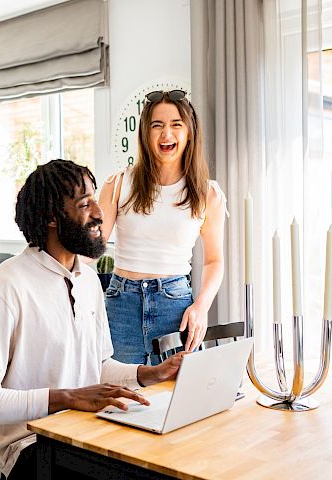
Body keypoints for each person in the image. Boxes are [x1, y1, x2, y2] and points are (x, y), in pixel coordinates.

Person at [0, 159, 184, 480]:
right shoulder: (7, 285)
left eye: (95, 201)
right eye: (84, 204)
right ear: (50, 217)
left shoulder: (87, 281)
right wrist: (66, 398)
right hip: (31, 446)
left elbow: (96, 367)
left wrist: (149, 374)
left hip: (83, 432)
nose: (100, 213)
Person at [99, 89, 227, 365]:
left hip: (175, 309)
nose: (166, 134)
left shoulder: (207, 194)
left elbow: (214, 261)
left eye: (175, 125)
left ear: (189, 132)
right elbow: (89, 251)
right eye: (156, 126)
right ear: (145, 134)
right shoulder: (118, 184)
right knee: (119, 397)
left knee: (176, 400)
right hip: (121, 305)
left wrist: (201, 307)